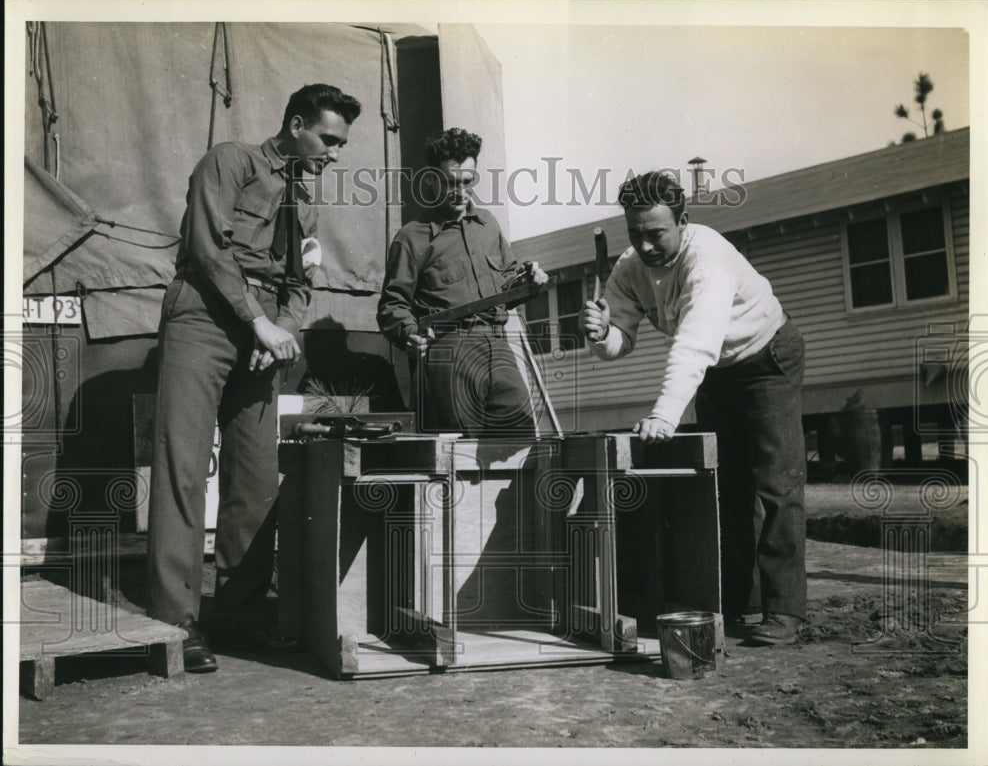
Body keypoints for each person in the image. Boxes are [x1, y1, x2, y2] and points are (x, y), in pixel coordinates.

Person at [147, 84, 361, 672]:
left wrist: (281, 330)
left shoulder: (306, 205)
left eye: (342, 144)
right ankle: (176, 622)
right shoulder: (230, 160)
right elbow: (208, 247)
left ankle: (237, 618)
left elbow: (302, 283)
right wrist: (259, 321)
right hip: (203, 315)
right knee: (182, 470)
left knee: (257, 478)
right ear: (295, 124)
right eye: (328, 138)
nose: (334, 153)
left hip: (262, 333)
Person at [578, 170, 807, 645]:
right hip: (718, 372)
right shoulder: (629, 268)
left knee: (776, 484)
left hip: (766, 357)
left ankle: (786, 612)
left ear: (682, 221)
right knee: (728, 488)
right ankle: (736, 600)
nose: (644, 246)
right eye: (635, 234)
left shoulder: (708, 258)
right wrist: (599, 334)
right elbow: (620, 340)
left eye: (656, 233)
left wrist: (665, 413)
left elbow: (695, 342)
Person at [377, 128, 547, 436]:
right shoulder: (411, 239)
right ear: (431, 179)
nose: (460, 191)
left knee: (520, 440)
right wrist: (410, 333)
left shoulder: (488, 226)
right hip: (447, 353)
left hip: (499, 348)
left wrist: (529, 281)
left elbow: (507, 285)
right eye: (450, 182)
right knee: (458, 456)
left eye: (467, 182)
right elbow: (392, 306)